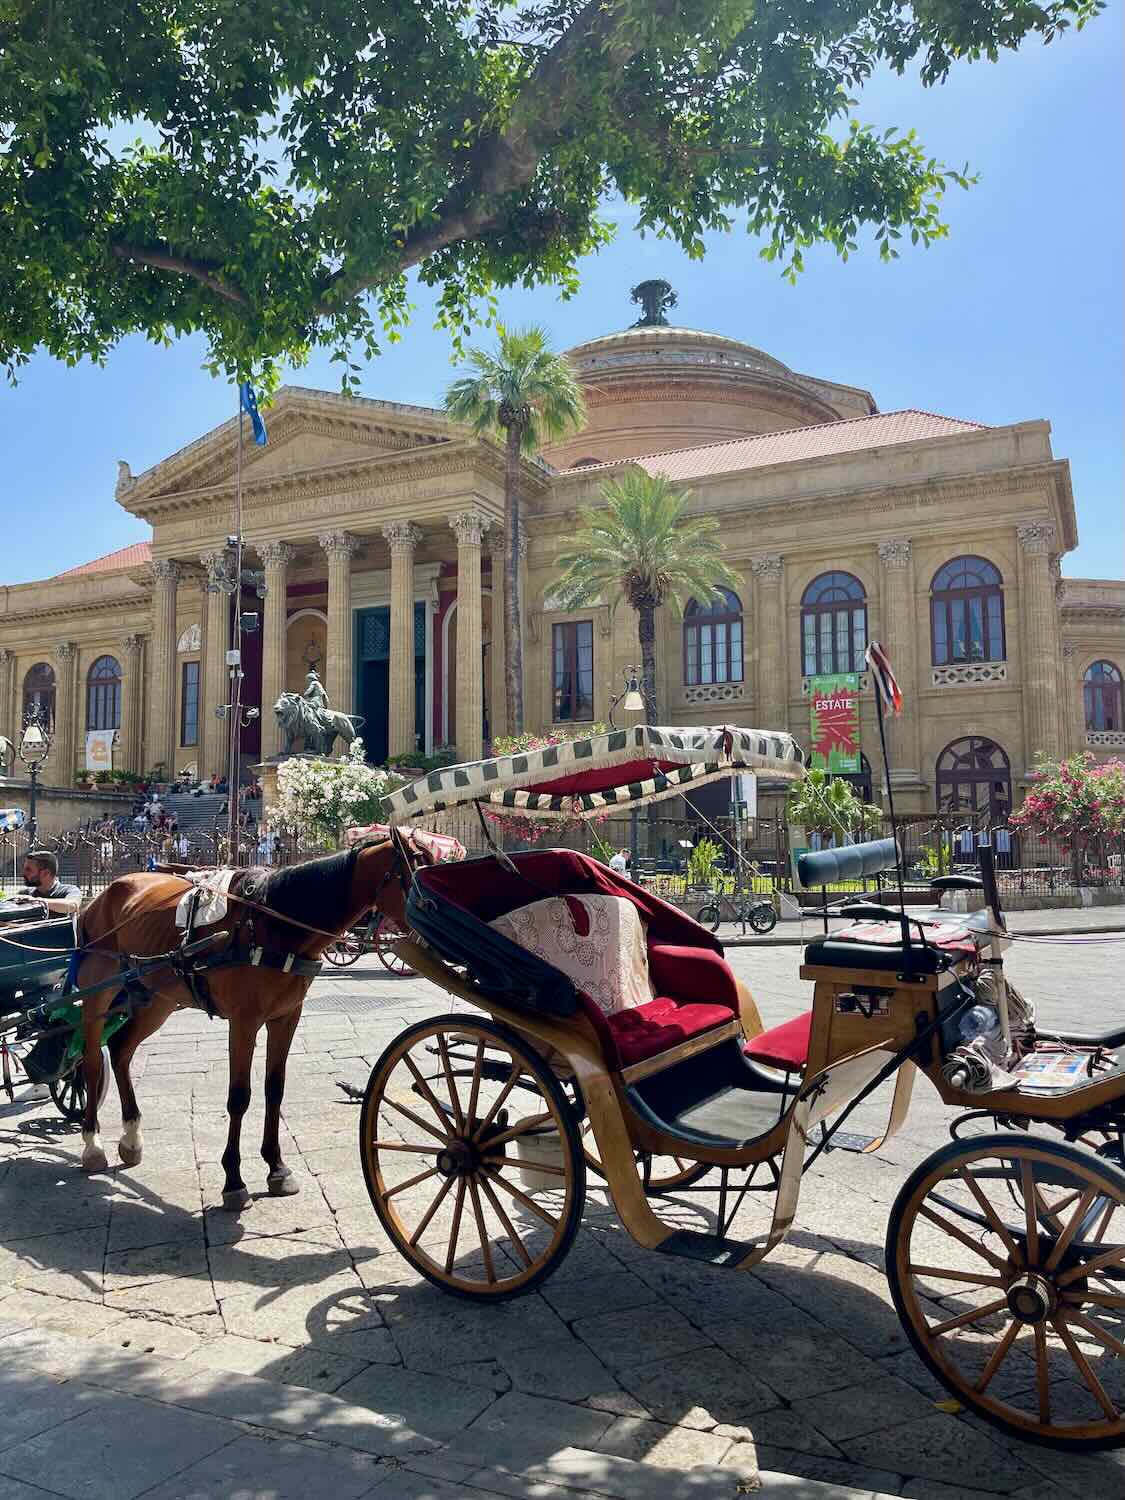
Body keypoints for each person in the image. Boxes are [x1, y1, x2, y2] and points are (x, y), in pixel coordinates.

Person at [14, 850, 82, 916]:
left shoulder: (69, 890)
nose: (23, 873)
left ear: (46, 873)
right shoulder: (25, 894)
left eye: (28, 869)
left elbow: (72, 906)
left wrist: (38, 901)